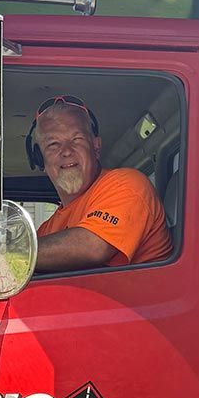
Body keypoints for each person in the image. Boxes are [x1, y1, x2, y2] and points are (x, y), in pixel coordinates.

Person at [27, 95, 172, 273]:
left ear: (95, 147)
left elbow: (92, 247)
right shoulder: (47, 229)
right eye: (53, 144)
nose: (66, 151)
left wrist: (11, 254)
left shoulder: (128, 184)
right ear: (40, 159)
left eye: (76, 139)